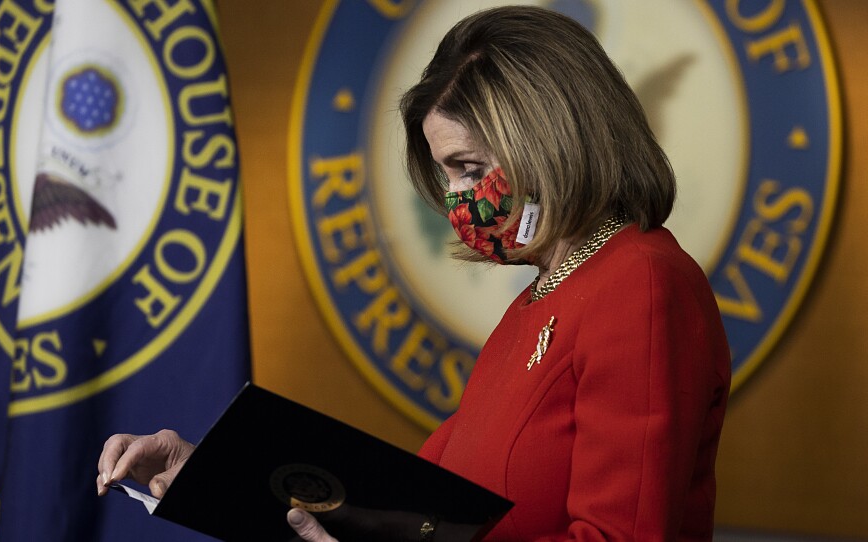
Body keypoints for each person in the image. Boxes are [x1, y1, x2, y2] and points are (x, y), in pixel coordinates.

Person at [97, 6, 730, 540]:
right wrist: (210, 476)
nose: (457, 199)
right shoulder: (539, 300)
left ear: (548, 141)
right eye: (448, 174)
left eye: (468, 167)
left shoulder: (640, 284)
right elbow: (406, 513)